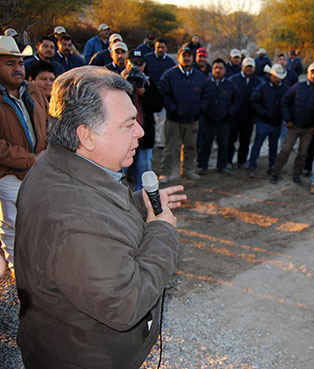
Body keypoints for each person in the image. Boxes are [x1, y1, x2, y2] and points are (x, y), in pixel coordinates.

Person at [15, 66, 185, 368]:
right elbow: (126, 304)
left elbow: (98, 215)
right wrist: (162, 231)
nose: (141, 132)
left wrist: (137, 204)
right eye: (129, 123)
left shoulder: (60, 164)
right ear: (87, 135)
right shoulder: (75, 218)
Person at [0, 36, 48, 278]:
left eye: (20, 63)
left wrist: (46, 154)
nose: (18, 68)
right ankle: (20, 277)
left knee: (39, 222)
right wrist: (30, 159)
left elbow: (47, 123)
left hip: (38, 170)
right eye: (10, 63)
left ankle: (38, 272)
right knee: (13, 227)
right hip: (9, 174)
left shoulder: (32, 90)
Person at [271, 63, 314, 186]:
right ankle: (275, 172)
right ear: (308, 73)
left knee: (302, 153)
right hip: (293, 126)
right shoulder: (298, 87)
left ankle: (297, 175)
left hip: (308, 129)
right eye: (312, 72)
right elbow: (285, 102)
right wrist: (287, 119)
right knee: (285, 150)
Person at [158, 45, 205, 182]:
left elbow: (205, 95)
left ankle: (188, 170)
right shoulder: (169, 75)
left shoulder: (199, 76)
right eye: (184, 56)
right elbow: (163, 93)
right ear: (178, 58)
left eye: (189, 56)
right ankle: (165, 172)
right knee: (170, 148)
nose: (187, 58)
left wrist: (199, 109)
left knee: (191, 147)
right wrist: (173, 109)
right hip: (174, 120)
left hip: (192, 120)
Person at [122, 49, 163, 190]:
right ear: (127, 63)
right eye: (134, 63)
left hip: (144, 137)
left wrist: (143, 92)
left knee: (144, 178)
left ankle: (143, 206)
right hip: (123, 138)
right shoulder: (117, 81)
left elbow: (158, 105)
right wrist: (123, 84)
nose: (137, 67)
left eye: (140, 64)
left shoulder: (148, 82)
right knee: (119, 177)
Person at [197, 58, 240, 174]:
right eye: (216, 68)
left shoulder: (230, 85)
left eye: (221, 68)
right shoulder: (206, 83)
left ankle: (222, 166)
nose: (218, 70)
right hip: (208, 120)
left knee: (223, 144)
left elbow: (237, 101)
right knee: (206, 143)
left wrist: (229, 113)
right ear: (212, 69)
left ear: (225, 70)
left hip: (224, 121)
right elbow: (200, 99)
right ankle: (202, 165)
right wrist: (204, 110)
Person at [248, 64, 289, 178]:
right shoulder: (262, 87)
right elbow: (253, 100)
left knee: (273, 146)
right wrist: (263, 112)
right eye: (276, 76)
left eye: (279, 77)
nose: (277, 79)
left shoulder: (285, 89)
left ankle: (272, 166)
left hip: (276, 122)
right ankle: (252, 166)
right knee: (257, 145)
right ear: (271, 76)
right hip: (264, 121)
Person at [227, 57, 262, 168]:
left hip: (249, 118)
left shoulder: (259, 82)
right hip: (234, 117)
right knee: (230, 141)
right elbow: (228, 98)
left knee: (245, 141)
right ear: (242, 67)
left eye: (251, 67)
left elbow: (260, 100)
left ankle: (241, 161)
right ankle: (228, 161)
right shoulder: (233, 80)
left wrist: (256, 116)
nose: (248, 69)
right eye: (247, 66)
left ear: (254, 68)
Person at [144, 39, 175, 149]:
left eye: (162, 47)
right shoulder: (147, 59)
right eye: (158, 47)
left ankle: (160, 141)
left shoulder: (170, 62)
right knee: (150, 119)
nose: (160, 49)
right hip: (149, 93)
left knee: (162, 119)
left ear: (166, 48)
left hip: (163, 94)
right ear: (155, 48)